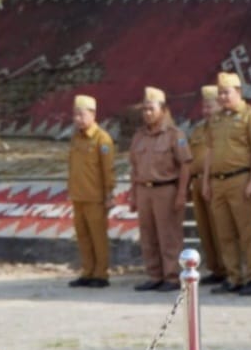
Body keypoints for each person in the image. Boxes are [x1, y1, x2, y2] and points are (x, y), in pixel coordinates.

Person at [203, 71, 251, 296]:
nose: (222, 97)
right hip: (218, 182)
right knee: (225, 233)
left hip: (240, 180)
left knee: (246, 232)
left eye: (226, 93)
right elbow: (209, 152)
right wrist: (206, 181)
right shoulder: (216, 119)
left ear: (238, 92)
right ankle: (233, 276)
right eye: (219, 93)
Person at [128, 86, 192, 292]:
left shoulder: (174, 134)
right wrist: (133, 194)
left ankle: (172, 276)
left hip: (166, 189)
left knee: (169, 235)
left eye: (151, 109)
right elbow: (134, 167)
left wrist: (182, 192)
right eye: (144, 109)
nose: (147, 113)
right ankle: (154, 274)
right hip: (144, 189)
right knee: (148, 235)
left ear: (163, 110)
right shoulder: (139, 136)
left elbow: (185, 164)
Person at [67, 94, 116, 288]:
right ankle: (87, 271)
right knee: (83, 237)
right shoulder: (75, 138)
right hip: (78, 196)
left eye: (81, 114)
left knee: (98, 237)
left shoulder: (102, 139)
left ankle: (101, 274)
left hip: (95, 197)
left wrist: (109, 194)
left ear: (93, 114)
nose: (77, 119)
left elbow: (108, 170)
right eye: (75, 115)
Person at [186, 84, 227, 285]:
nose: (205, 111)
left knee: (221, 228)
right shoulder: (198, 130)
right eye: (204, 106)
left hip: (216, 181)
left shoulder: (224, 128)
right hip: (197, 182)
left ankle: (229, 268)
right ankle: (215, 268)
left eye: (209, 106)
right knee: (206, 229)